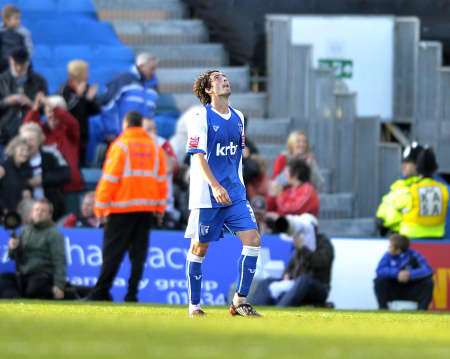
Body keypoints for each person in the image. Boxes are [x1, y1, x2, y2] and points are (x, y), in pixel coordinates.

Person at [184, 70, 261, 317]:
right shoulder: (199, 117)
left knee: (253, 240)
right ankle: (194, 306)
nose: (223, 79)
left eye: (224, 76)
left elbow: (236, 157)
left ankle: (239, 301)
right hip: (207, 195)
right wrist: (215, 186)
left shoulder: (238, 117)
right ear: (208, 90)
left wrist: (232, 185)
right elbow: (198, 156)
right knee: (199, 249)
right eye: (217, 78)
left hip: (235, 194)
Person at [88, 111, 167, 302]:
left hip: (120, 210)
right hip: (146, 210)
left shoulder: (120, 146)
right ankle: (132, 294)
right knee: (138, 256)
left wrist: (100, 207)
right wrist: (160, 209)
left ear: (125, 124)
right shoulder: (155, 148)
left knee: (112, 253)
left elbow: (109, 179)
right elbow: (161, 181)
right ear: (140, 125)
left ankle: (101, 291)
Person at [251, 214, 334, 307]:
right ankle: (257, 310)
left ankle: (280, 311)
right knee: (266, 282)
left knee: (304, 280)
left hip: (319, 287)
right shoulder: (301, 242)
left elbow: (320, 262)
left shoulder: (323, 242)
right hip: (296, 284)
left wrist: (303, 248)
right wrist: (286, 275)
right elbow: (291, 265)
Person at [376, 144, 448, 238]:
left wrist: (401, 223)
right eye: (403, 162)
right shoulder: (401, 185)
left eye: (408, 162)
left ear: (419, 164)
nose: (403, 166)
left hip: (419, 240)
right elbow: (384, 212)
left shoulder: (410, 189)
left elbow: (385, 215)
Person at [23, 94, 83, 194]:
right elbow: (27, 128)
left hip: (69, 186)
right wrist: (35, 109)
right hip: (47, 186)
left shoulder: (70, 130)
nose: (52, 115)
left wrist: (50, 105)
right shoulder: (41, 131)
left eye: (55, 111)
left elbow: (72, 122)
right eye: (48, 111)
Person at [8, 198, 66, 299]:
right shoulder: (24, 230)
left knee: (34, 288)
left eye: (43, 211)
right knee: (3, 281)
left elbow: (59, 261)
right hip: (23, 273)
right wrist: (13, 248)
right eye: (37, 210)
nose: (39, 213)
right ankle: (17, 297)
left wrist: (59, 285)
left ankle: (53, 291)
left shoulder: (54, 234)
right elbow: (13, 257)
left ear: (49, 215)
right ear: (32, 213)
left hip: (42, 274)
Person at [98, 52, 159, 141]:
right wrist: (110, 131)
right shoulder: (124, 80)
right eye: (151, 69)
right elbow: (107, 105)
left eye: (155, 69)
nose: (154, 72)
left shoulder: (153, 88)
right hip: (121, 136)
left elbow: (151, 114)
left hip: (143, 137)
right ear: (141, 66)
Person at [19, 123, 70, 220]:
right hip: (24, 210)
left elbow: (65, 174)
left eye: (31, 140)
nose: (28, 143)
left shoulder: (51, 154)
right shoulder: (16, 158)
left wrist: (42, 179)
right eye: (24, 140)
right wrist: (26, 184)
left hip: (52, 207)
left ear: (39, 141)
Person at [0, 47, 47, 146]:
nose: (18, 69)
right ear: (10, 61)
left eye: (22, 66)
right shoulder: (1, 80)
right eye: (15, 65)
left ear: (28, 63)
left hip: (31, 131)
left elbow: (46, 110)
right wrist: (6, 101)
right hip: (6, 131)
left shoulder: (39, 81)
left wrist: (31, 104)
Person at [374, 234, 434, 310]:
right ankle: (383, 309)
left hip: (411, 287)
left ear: (398, 250)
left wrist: (410, 274)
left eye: (390, 246)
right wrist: (397, 273)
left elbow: (427, 270)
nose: (388, 248)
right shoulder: (388, 255)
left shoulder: (414, 255)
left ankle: (422, 311)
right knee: (379, 281)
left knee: (428, 282)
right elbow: (379, 270)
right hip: (394, 287)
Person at [60, 60, 100, 166]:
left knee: (81, 161)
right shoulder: (65, 88)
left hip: (82, 131)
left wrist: (89, 100)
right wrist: (78, 96)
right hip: (68, 132)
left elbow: (95, 111)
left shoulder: (87, 87)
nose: (88, 75)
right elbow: (66, 109)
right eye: (86, 72)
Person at [143, 117, 180, 228]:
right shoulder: (133, 145)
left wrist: (155, 145)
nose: (153, 132)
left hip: (162, 207)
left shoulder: (162, 143)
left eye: (154, 129)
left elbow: (170, 168)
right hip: (140, 204)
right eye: (149, 129)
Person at [0, 136, 32, 212]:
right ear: (13, 150)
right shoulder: (3, 168)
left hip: (19, 213)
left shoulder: (26, 168)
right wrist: (4, 209)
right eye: (22, 150)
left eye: (27, 150)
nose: (25, 153)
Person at [0, 4, 33, 72]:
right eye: (16, 18)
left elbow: (29, 49)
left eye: (19, 18)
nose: (19, 21)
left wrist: (24, 62)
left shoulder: (24, 32)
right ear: (6, 20)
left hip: (18, 62)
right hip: (2, 63)